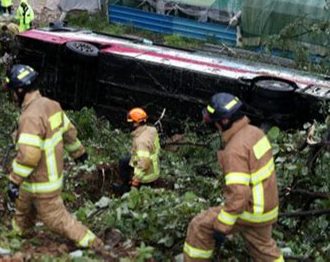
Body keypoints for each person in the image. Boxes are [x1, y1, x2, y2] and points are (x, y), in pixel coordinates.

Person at [5, 64, 107, 255]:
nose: (12, 96)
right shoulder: (52, 105)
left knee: (56, 219)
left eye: (13, 92)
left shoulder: (30, 117)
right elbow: (69, 132)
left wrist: (13, 181)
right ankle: (18, 236)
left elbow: (28, 156)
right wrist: (79, 153)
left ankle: (94, 243)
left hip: (42, 182)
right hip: (34, 181)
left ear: (20, 90)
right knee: (23, 209)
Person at [183, 93, 284, 262]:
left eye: (215, 122)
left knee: (199, 225)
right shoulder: (256, 133)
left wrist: (222, 226)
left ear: (224, 121)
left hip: (251, 209)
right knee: (265, 249)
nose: (215, 127)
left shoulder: (234, 151)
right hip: (268, 207)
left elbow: (239, 194)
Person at [114, 108, 161, 192]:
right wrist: (134, 163)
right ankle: (126, 182)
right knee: (123, 162)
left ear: (137, 123)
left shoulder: (141, 142)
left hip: (147, 175)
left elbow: (144, 164)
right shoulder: (151, 130)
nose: (130, 124)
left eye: (131, 122)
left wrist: (136, 180)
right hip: (152, 165)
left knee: (136, 190)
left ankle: (127, 189)